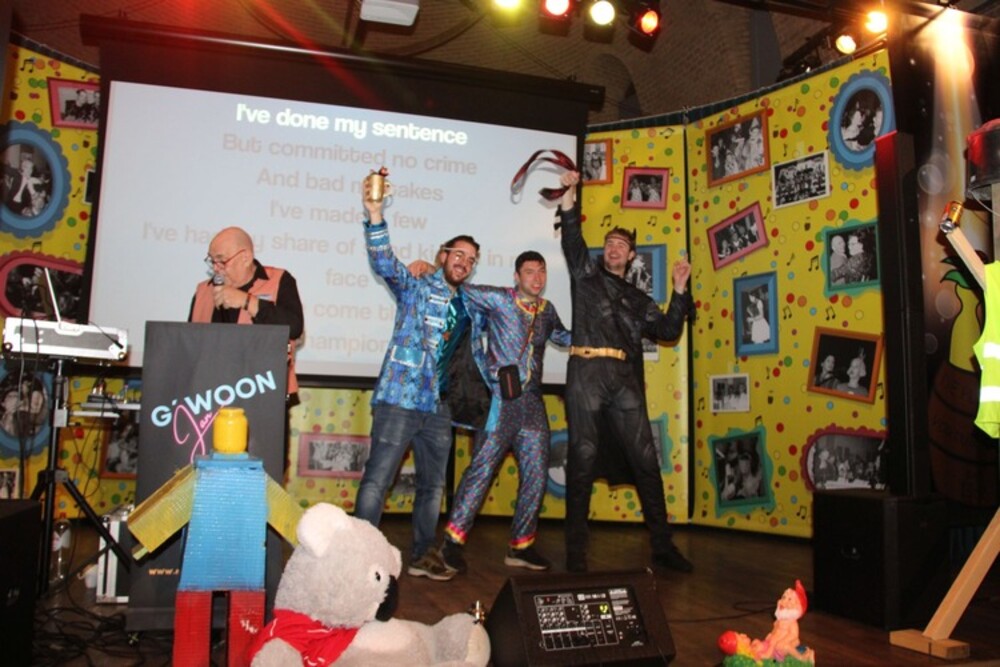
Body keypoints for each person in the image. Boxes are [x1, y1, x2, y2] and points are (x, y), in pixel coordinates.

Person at [557, 170, 695, 574]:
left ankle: (663, 548)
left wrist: (680, 290)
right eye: (610, 243)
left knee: (647, 461)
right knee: (582, 460)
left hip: (623, 380)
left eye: (622, 245)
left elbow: (667, 330)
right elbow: (571, 237)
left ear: (632, 256)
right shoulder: (586, 275)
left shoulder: (638, 298)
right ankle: (576, 553)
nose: (614, 248)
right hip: (586, 373)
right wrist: (569, 194)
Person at [354, 175, 481, 582]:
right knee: (377, 481)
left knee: (432, 487)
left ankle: (423, 553)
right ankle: (357, 560)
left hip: (439, 408)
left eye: (472, 259)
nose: (464, 262)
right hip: (400, 399)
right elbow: (384, 262)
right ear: (443, 255)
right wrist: (375, 215)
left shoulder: (470, 304)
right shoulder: (416, 287)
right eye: (459, 254)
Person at [437, 250, 571, 574]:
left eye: (541, 271)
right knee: (481, 470)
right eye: (530, 272)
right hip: (500, 401)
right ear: (516, 276)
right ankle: (452, 542)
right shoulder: (499, 299)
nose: (537, 278)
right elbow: (460, 288)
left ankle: (521, 546)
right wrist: (433, 269)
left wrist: (598, 332)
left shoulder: (547, 310)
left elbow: (563, 337)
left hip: (532, 405)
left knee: (536, 474)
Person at [188, 226, 304, 402]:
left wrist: (247, 301)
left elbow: (294, 327)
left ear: (246, 258)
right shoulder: (203, 291)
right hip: (209, 396)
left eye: (222, 261)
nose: (216, 268)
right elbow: (188, 343)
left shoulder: (279, 280)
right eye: (212, 261)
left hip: (265, 393)